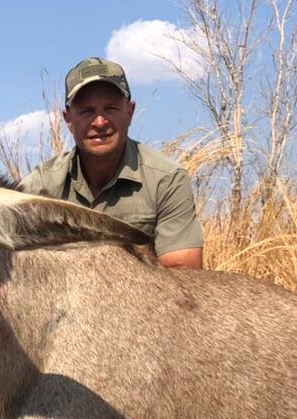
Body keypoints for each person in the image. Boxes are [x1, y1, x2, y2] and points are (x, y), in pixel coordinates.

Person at [19, 57, 204, 269]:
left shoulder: (167, 179)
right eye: (87, 111)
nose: (99, 122)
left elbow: (184, 274)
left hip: (140, 300)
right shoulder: (41, 184)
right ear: (69, 120)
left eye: (111, 109)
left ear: (130, 112)